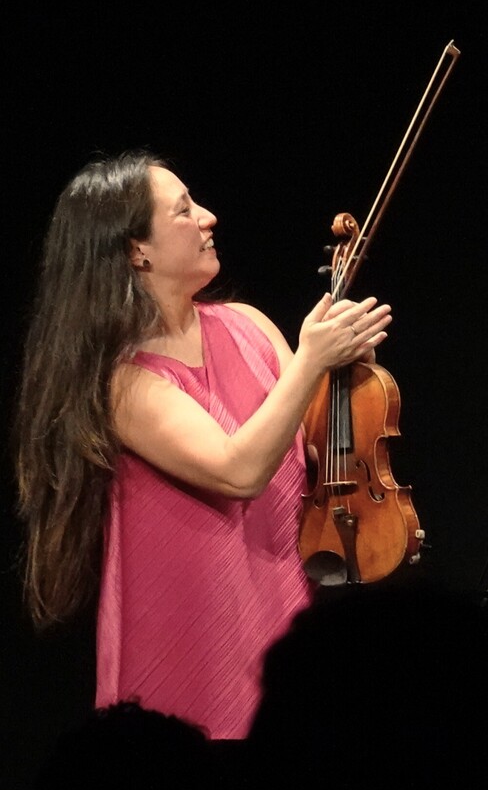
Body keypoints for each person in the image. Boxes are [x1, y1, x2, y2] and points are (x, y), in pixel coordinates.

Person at [13, 152, 390, 739]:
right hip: (192, 627)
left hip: (277, 601)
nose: (208, 217)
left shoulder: (249, 325)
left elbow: (311, 457)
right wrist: (312, 360)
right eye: (184, 210)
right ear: (137, 250)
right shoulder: (124, 381)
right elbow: (239, 472)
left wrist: (344, 376)